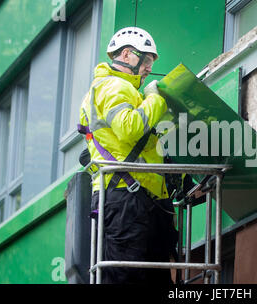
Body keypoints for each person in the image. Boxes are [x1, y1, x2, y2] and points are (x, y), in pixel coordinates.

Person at [78, 27, 177, 284]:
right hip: (125, 198)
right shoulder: (114, 86)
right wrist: (156, 99)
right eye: (145, 61)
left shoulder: (123, 90)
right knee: (126, 277)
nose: (148, 68)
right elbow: (130, 128)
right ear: (126, 54)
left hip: (136, 198)